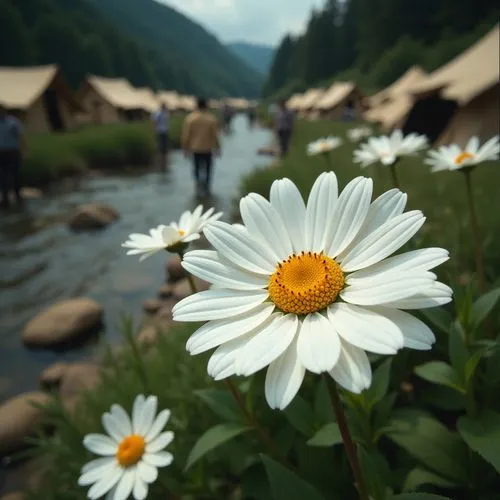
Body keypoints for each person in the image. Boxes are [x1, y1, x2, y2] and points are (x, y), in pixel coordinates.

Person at [181, 97, 221, 196]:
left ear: (196, 106)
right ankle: (207, 189)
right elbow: (215, 135)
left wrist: (185, 149)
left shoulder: (190, 119)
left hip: (195, 149)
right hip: (207, 149)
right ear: (206, 106)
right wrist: (218, 147)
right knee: (208, 171)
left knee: (196, 169)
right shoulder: (211, 119)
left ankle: (198, 188)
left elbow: (186, 135)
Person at [0, 104, 25, 209]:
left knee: (15, 174)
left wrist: (24, 151)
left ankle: (17, 196)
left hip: (12, 151)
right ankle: (6, 198)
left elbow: (20, 137)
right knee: (4, 175)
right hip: (2, 152)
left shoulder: (13, 122)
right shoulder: (13, 122)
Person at [151, 103, 170, 170]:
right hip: (160, 132)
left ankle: (164, 163)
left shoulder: (165, 113)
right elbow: (154, 121)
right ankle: (160, 163)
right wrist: (155, 129)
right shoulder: (158, 114)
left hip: (164, 131)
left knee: (165, 148)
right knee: (160, 147)